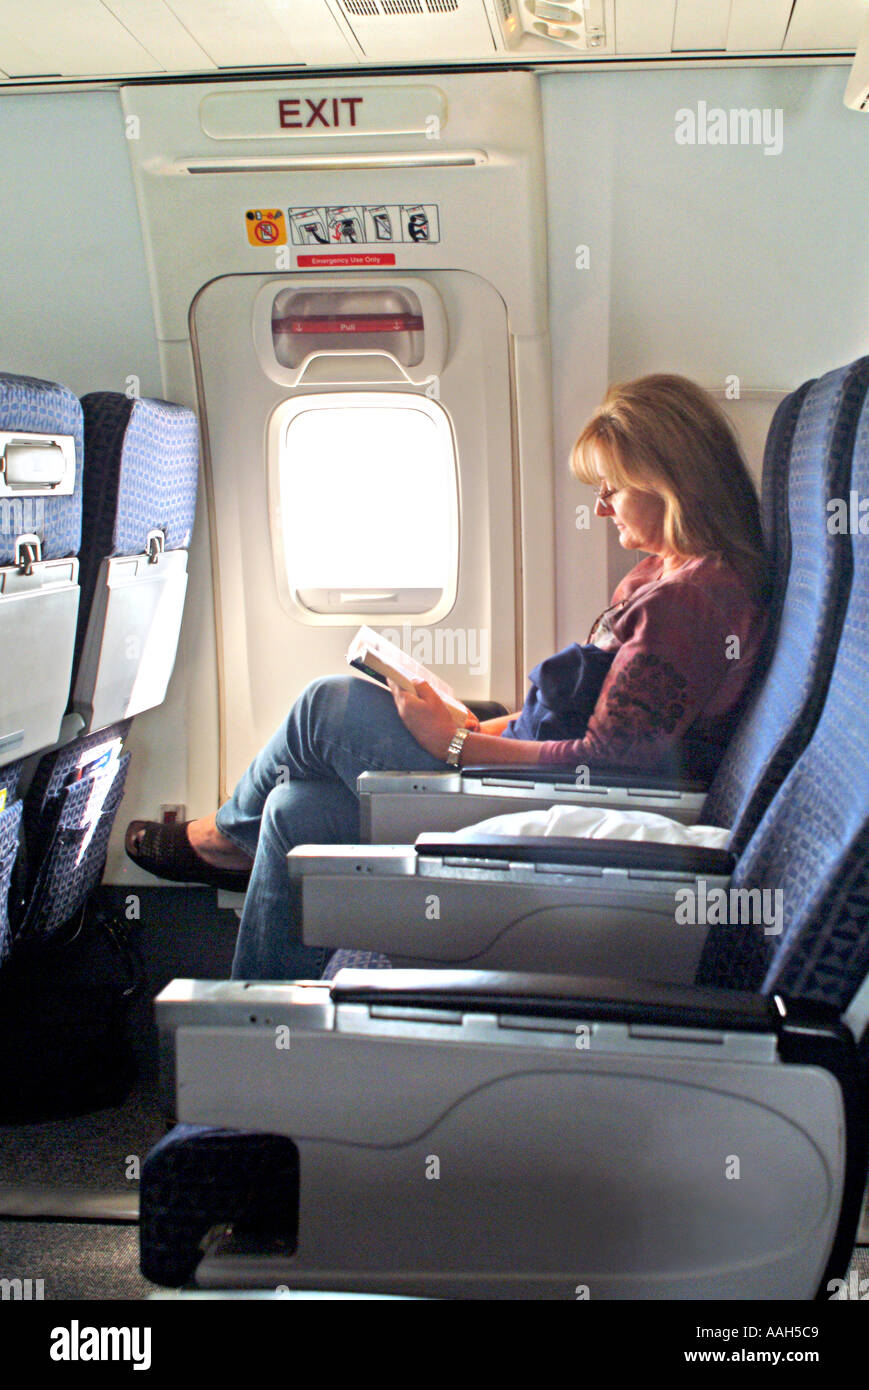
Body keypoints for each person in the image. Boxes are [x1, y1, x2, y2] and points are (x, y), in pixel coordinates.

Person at [126, 374, 770, 979]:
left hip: (543, 791)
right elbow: (578, 716)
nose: (601, 509)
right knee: (296, 811)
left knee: (326, 707)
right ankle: (263, 1019)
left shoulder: (692, 602)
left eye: (613, 487)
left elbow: (608, 763)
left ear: (670, 482)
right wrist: (466, 721)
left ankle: (216, 841)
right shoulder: (662, 573)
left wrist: (458, 745)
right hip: (514, 759)